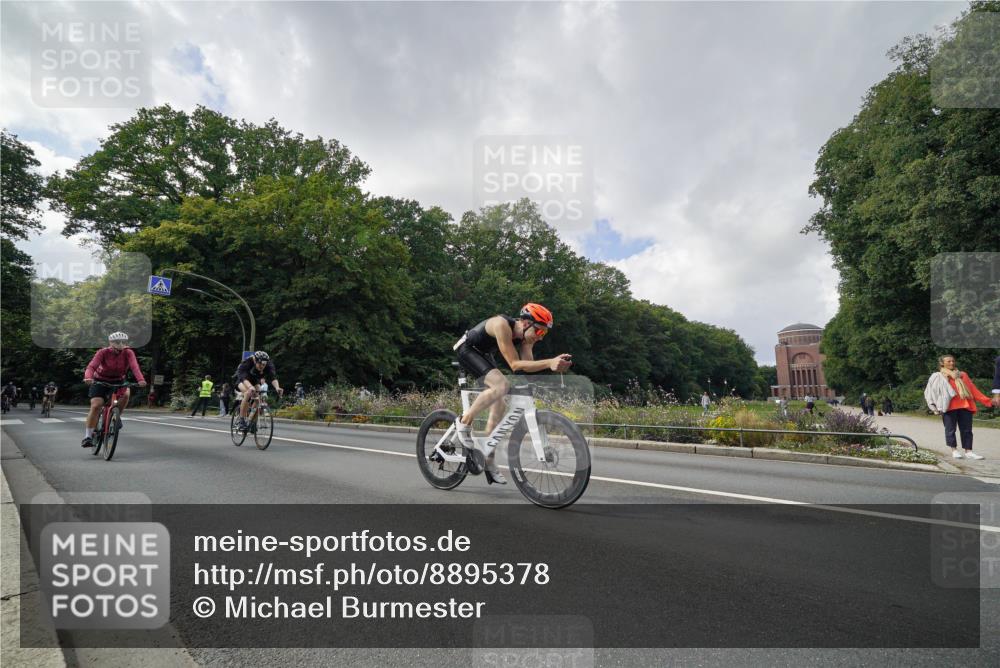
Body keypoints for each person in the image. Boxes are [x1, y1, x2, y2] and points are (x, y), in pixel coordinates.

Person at [452, 303, 572, 485]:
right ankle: (464, 422)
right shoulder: (501, 324)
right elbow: (515, 365)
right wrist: (549, 362)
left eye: (545, 333)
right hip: (467, 349)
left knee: (500, 402)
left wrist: (553, 369)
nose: (541, 337)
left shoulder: (526, 339)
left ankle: (488, 456)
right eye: (539, 331)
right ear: (526, 323)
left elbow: (526, 368)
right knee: (501, 385)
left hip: (484, 354)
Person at [82, 332, 147, 448]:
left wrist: (141, 380)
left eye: (123, 342)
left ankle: (116, 417)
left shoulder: (128, 352)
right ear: (111, 343)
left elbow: (135, 367)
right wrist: (88, 377)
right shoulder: (103, 352)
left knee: (126, 394)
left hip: (118, 380)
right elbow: (91, 366)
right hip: (100, 380)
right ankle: (88, 437)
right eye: (117, 342)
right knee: (96, 405)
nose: (120, 344)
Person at [923, 355, 993, 460]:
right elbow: (931, 392)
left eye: (953, 361)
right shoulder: (938, 376)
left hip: (965, 406)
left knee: (967, 430)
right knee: (950, 430)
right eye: (948, 361)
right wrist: (934, 407)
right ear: (942, 363)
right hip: (948, 407)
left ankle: (969, 452)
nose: (952, 363)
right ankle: (954, 450)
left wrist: (988, 401)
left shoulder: (963, 375)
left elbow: (973, 389)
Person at [233, 351, 283, 430]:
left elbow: (273, 377)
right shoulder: (247, 363)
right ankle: (241, 420)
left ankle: (252, 421)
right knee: (248, 393)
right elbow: (243, 378)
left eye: (264, 364)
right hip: (242, 380)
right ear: (255, 361)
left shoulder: (269, 365)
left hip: (254, 381)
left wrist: (277, 387)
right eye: (260, 363)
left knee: (258, 399)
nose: (262, 366)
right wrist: (250, 387)